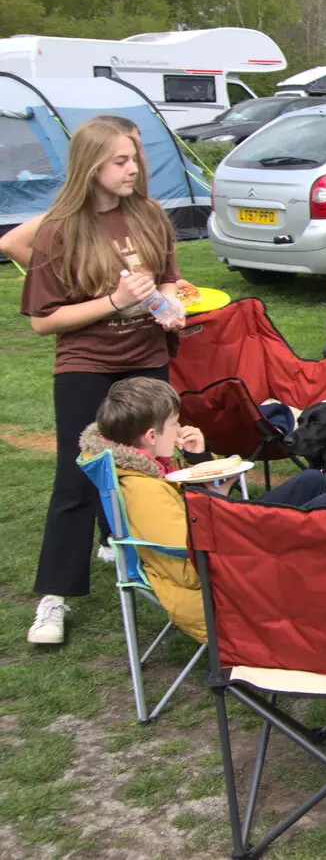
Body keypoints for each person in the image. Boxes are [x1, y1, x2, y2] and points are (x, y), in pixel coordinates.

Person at [21, 115, 185, 645]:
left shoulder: (152, 215)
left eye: (134, 158)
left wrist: (172, 303)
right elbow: (44, 320)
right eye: (120, 160)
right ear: (91, 167)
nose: (133, 168)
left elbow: (166, 281)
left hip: (146, 357)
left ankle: (158, 570)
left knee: (155, 468)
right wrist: (116, 302)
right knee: (78, 477)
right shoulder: (59, 229)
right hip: (86, 364)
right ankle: (54, 598)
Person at [78, 378, 326, 642]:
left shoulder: (153, 464)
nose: (180, 429)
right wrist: (246, 521)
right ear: (151, 436)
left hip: (220, 536)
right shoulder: (143, 489)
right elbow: (188, 557)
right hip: (221, 565)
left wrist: (202, 462)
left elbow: (194, 515)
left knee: (313, 481)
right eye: (174, 424)